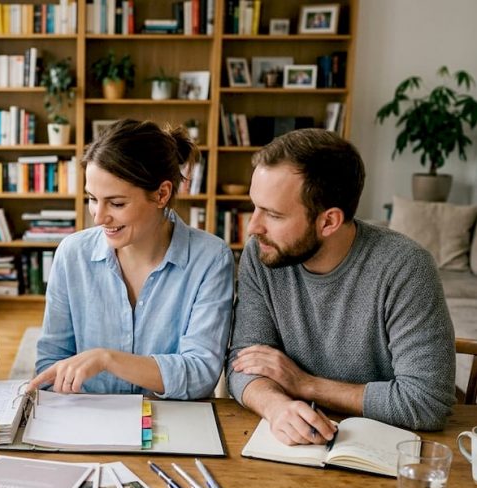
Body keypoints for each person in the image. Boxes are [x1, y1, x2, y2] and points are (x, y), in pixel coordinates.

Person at [227, 128, 456, 445]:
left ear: (329, 221)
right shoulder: (263, 253)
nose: (253, 227)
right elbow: (244, 362)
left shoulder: (405, 267)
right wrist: (277, 407)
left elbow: (427, 402)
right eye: (255, 206)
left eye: (273, 214)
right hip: (294, 447)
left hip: (385, 450)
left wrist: (306, 385)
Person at [29, 119, 234, 399]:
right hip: (87, 421)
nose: (98, 217)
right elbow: (51, 365)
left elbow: (200, 374)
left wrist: (107, 359)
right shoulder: (72, 254)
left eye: (116, 203)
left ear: (162, 194)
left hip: (174, 425)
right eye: (92, 198)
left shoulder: (211, 259)